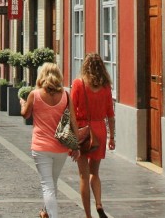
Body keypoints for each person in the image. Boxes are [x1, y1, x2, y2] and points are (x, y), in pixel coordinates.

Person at [21, 62, 81, 218]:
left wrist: (23, 103)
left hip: (41, 147)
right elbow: (74, 122)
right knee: (52, 182)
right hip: (61, 147)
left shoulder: (35, 94)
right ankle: (46, 213)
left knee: (47, 185)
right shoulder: (66, 95)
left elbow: (25, 115)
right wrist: (76, 146)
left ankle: (52, 215)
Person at [71, 53, 116, 218]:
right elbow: (110, 114)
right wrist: (112, 137)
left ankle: (88, 215)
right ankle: (98, 203)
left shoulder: (79, 84)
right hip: (100, 131)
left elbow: (71, 112)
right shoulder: (106, 87)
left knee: (83, 175)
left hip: (83, 131)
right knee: (94, 173)